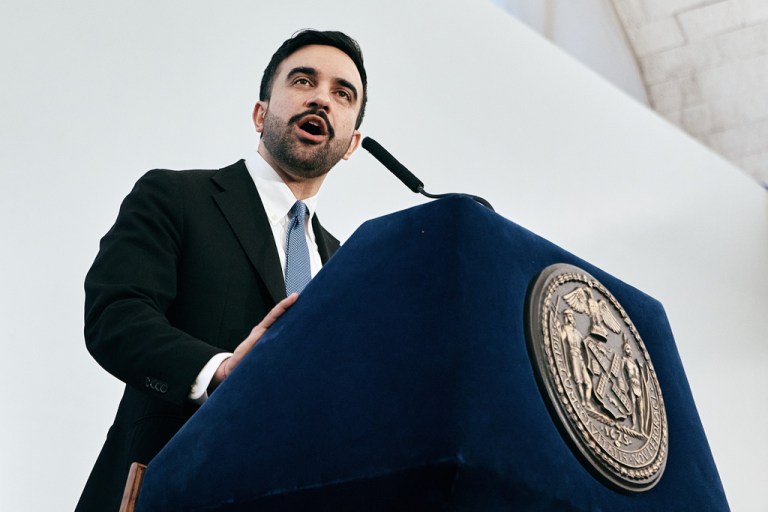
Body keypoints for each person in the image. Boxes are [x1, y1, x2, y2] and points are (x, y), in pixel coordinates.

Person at [76, 29, 368, 511]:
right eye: (302, 81)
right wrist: (218, 370)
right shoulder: (175, 198)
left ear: (352, 141)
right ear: (260, 113)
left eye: (342, 93)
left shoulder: (348, 269)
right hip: (164, 487)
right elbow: (115, 316)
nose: (321, 99)